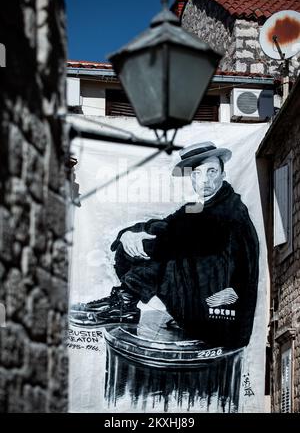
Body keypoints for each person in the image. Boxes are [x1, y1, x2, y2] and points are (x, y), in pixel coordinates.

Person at [70, 142, 259, 349]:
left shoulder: (230, 210)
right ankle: (125, 303)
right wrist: (128, 235)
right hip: (199, 302)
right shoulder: (198, 208)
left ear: (223, 175)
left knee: (167, 254)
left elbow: (174, 241)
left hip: (221, 319)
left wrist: (142, 242)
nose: (205, 180)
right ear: (191, 178)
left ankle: (125, 304)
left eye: (212, 171)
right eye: (196, 173)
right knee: (140, 244)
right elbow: (166, 226)